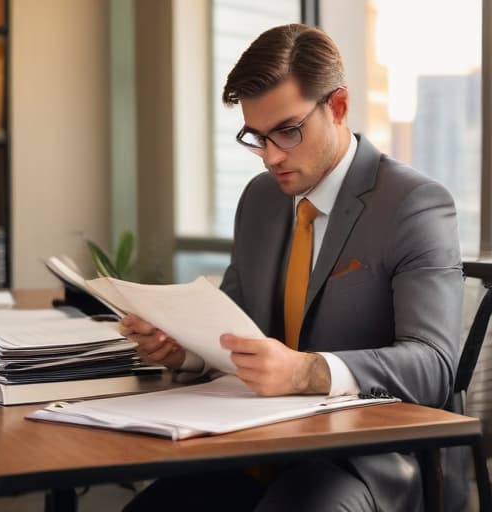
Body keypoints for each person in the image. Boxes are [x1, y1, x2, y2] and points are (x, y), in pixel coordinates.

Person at [122, 23, 465, 512]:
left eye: (288, 131)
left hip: (368, 459)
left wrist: (309, 372)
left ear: (339, 106)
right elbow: (235, 322)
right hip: (258, 443)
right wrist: (186, 351)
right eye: (256, 137)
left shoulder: (414, 204)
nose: (271, 156)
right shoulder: (261, 200)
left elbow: (434, 365)